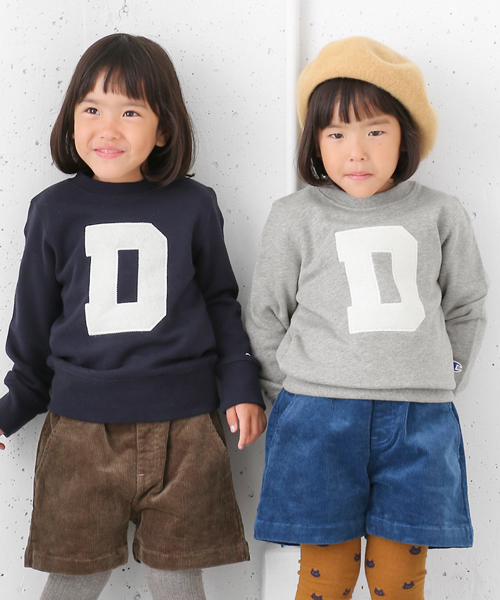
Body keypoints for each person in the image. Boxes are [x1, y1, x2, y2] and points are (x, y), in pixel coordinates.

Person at [0, 33, 266, 600]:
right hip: (79, 433)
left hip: (186, 430)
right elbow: (33, 325)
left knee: (177, 580)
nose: (108, 128)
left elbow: (220, 300)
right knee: (73, 578)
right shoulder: (53, 211)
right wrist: (10, 409)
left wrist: (241, 382)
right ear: (71, 120)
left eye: (130, 112)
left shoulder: (194, 205)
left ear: (163, 129)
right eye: (92, 109)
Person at [246, 36, 487, 600]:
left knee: (398, 580)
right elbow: (267, 313)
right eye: (336, 134)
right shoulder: (295, 216)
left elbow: (466, 305)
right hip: (317, 418)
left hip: (419, 422)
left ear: (407, 134)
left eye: (375, 131)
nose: (355, 153)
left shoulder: (440, 213)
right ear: (314, 140)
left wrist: (447, 374)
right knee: (324, 577)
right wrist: (287, 396)